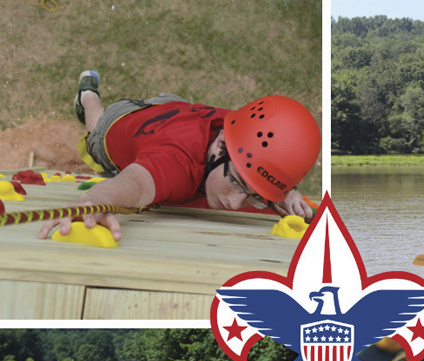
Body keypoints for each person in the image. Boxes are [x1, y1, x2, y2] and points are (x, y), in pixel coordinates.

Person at [38, 70, 321, 242]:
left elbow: (269, 151)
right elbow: (135, 183)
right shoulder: (176, 162)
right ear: (221, 145)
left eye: (254, 195)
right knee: (95, 120)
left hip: (177, 108)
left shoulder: (241, 130)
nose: (236, 203)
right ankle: (87, 92)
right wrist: (97, 200)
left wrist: (283, 191)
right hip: (120, 121)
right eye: (235, 181)